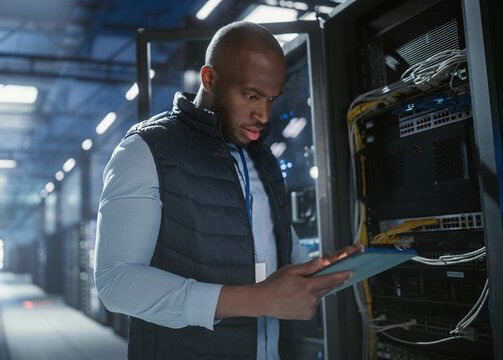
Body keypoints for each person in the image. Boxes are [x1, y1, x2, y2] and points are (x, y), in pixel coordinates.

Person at [95, 21, 360, 360]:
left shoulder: (262, 158)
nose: (263, 115)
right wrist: (258, 299)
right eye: (251, 96)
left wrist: (321, 273)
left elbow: (280, 250)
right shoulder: (146, 149)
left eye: (271, 99)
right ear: (209, 79)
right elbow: (116, 284)